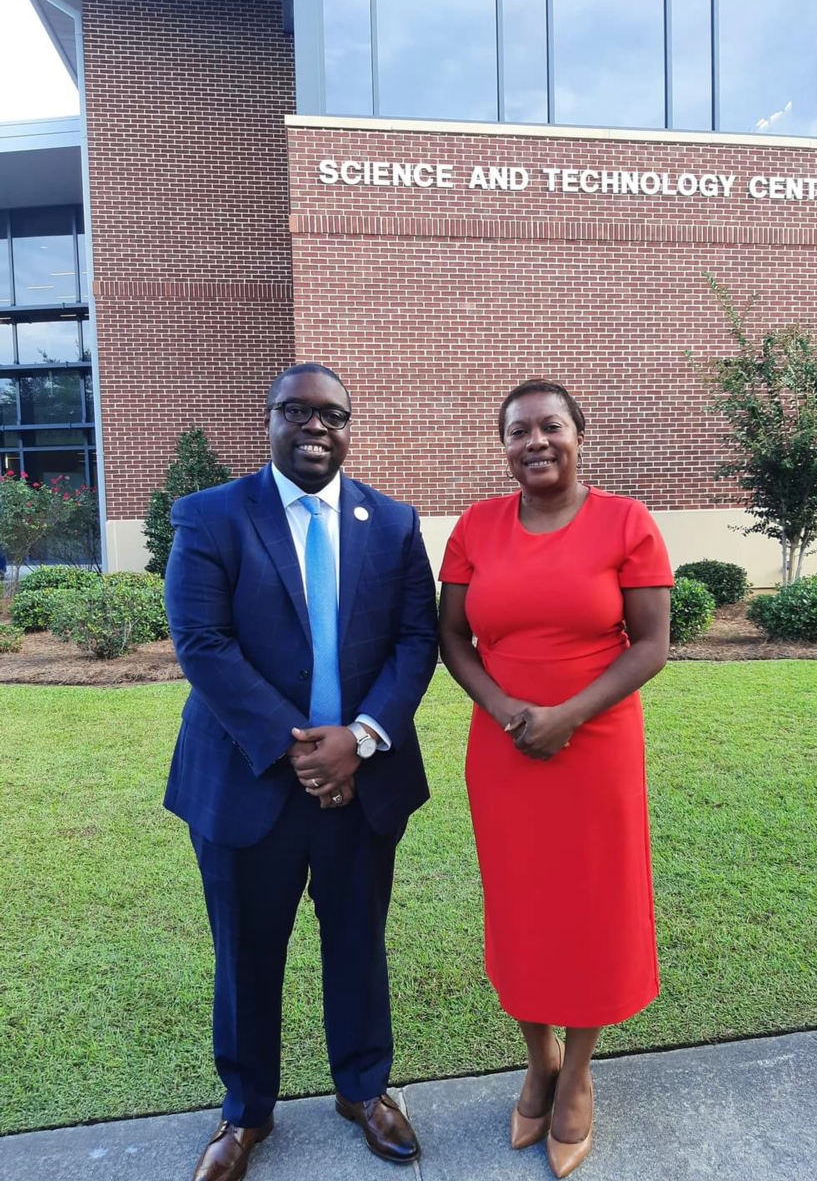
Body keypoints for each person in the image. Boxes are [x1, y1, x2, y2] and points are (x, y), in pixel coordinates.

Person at [164, 363, 438, 1181]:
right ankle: (246, 1114)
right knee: (247, 952)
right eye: (297, 412)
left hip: (365, 781)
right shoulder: (213, 516)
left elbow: (415, 641)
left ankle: (364, 1089)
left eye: (332, 415)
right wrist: (302, 748)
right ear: (272, 420)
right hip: (249, 782)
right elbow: (202, 644)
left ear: (349, 427)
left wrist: (360, 738)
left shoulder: (390, 522)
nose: (315, 427)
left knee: (358, 940)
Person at [438, 379, 672, 1179]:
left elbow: (649, 644)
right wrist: (510, 710)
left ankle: (576, 1075)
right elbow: (453, 639)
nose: (534, 442)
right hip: (504, 752)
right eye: (517, 432)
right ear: (502, 446)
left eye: (550, 427)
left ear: (579, 434)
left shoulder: (627, 523)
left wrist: (567, 714)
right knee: (522, 906)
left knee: (591, 907)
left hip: (595, 747)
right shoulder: (476, 527)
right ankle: (535, 1061)